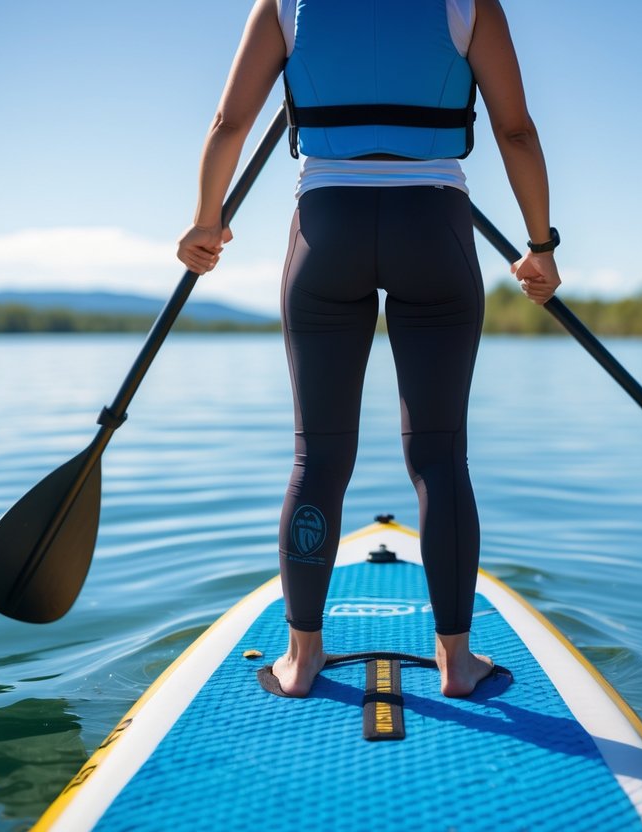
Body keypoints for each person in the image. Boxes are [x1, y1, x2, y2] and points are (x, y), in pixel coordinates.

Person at [177, 0, 561, 698]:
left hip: (326, 236)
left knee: (316, 457)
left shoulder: (284, 4)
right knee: (440, 457)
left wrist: (206, 221)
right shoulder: (468, 5)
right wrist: (539, 245)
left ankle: (299, 661)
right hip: (435, 235)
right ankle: (455, 661)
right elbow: (515, 130)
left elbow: (229, 124)